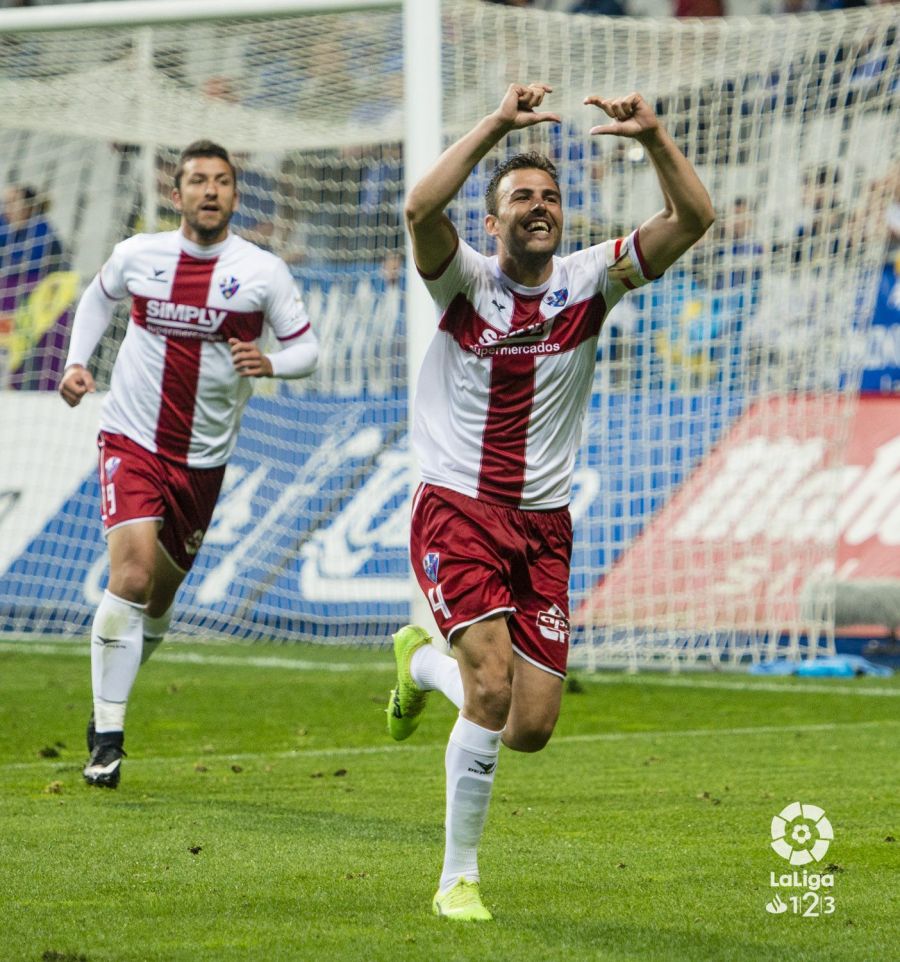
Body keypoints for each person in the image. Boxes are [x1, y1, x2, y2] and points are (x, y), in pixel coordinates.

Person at [387, 82, 714, 921]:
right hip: (458, 507)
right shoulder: (460, 280)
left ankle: (421, 664)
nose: (540, 209)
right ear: (491, 224)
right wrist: (495, 119)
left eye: (551, 199)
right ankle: (458, 878)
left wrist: (653, 139)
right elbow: (420, 206)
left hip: (544, 526)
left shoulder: (590, 280)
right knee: (490, 692)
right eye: (521, 199)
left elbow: (694, 220)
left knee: (529, 726)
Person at [59, 140, 319, 789]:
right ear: (176, 195)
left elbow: (307, 348)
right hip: (132, 437)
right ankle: (109, 735)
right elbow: (96, 299)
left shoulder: (262, 272)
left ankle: (107, 706)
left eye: (222, 181)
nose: (210, 190)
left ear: (235, 194)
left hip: (203, 460)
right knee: (134, 572)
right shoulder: (139, 256)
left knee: (161, 598)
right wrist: (75, 361)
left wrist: (273, 362)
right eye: (198, 180)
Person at [0, 183, 69, 390]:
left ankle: (46, 388)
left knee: (39, 353)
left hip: (42, 306)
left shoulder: (42, 232)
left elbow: (31, 273)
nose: (6, 207)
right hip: (13, 304)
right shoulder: (5, 228)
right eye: (5, 202)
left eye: (12, 202)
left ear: (29, 206)